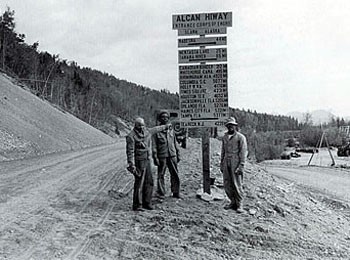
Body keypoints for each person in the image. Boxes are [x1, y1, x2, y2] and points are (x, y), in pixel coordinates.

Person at [126, 117, 171, 211]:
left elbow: (156, 129)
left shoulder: (147, 132)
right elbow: (130, 152)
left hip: (147, 160)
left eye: (143, 125)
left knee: (149, 181)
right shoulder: (131, 136)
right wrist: (132, 165)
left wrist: (166, 126)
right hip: (139, 162)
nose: (142, 127)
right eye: (140, 126)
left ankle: (147, 202)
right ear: (136, 126)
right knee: (139, 184)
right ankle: (137, 205)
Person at [220, 117, 248, 213]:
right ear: (227, 126)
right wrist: (221, 163)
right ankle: (232, 202)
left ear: (235, 126)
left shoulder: (241, 137)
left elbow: (243, 152)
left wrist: (241, 165)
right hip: (226, 161)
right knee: (227, 183)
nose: (230, 127)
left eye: (232, 125)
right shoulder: (224, 137)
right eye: (229, 125)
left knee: (237, 183)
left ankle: (240, 204)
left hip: (235, 161)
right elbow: (223, 151)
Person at [152, 110, 181, 199]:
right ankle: (161, 192)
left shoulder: (171, 129)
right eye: (163, 117)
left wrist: (178, 153)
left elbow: (175, 142)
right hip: (162, 155)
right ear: (160, 119)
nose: (165, 119)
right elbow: (154, 145)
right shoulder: (156, 131)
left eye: (166, 117)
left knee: (175, 174)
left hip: (172, 155)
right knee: (161, 175)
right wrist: (155, 157)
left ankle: (176, 192)